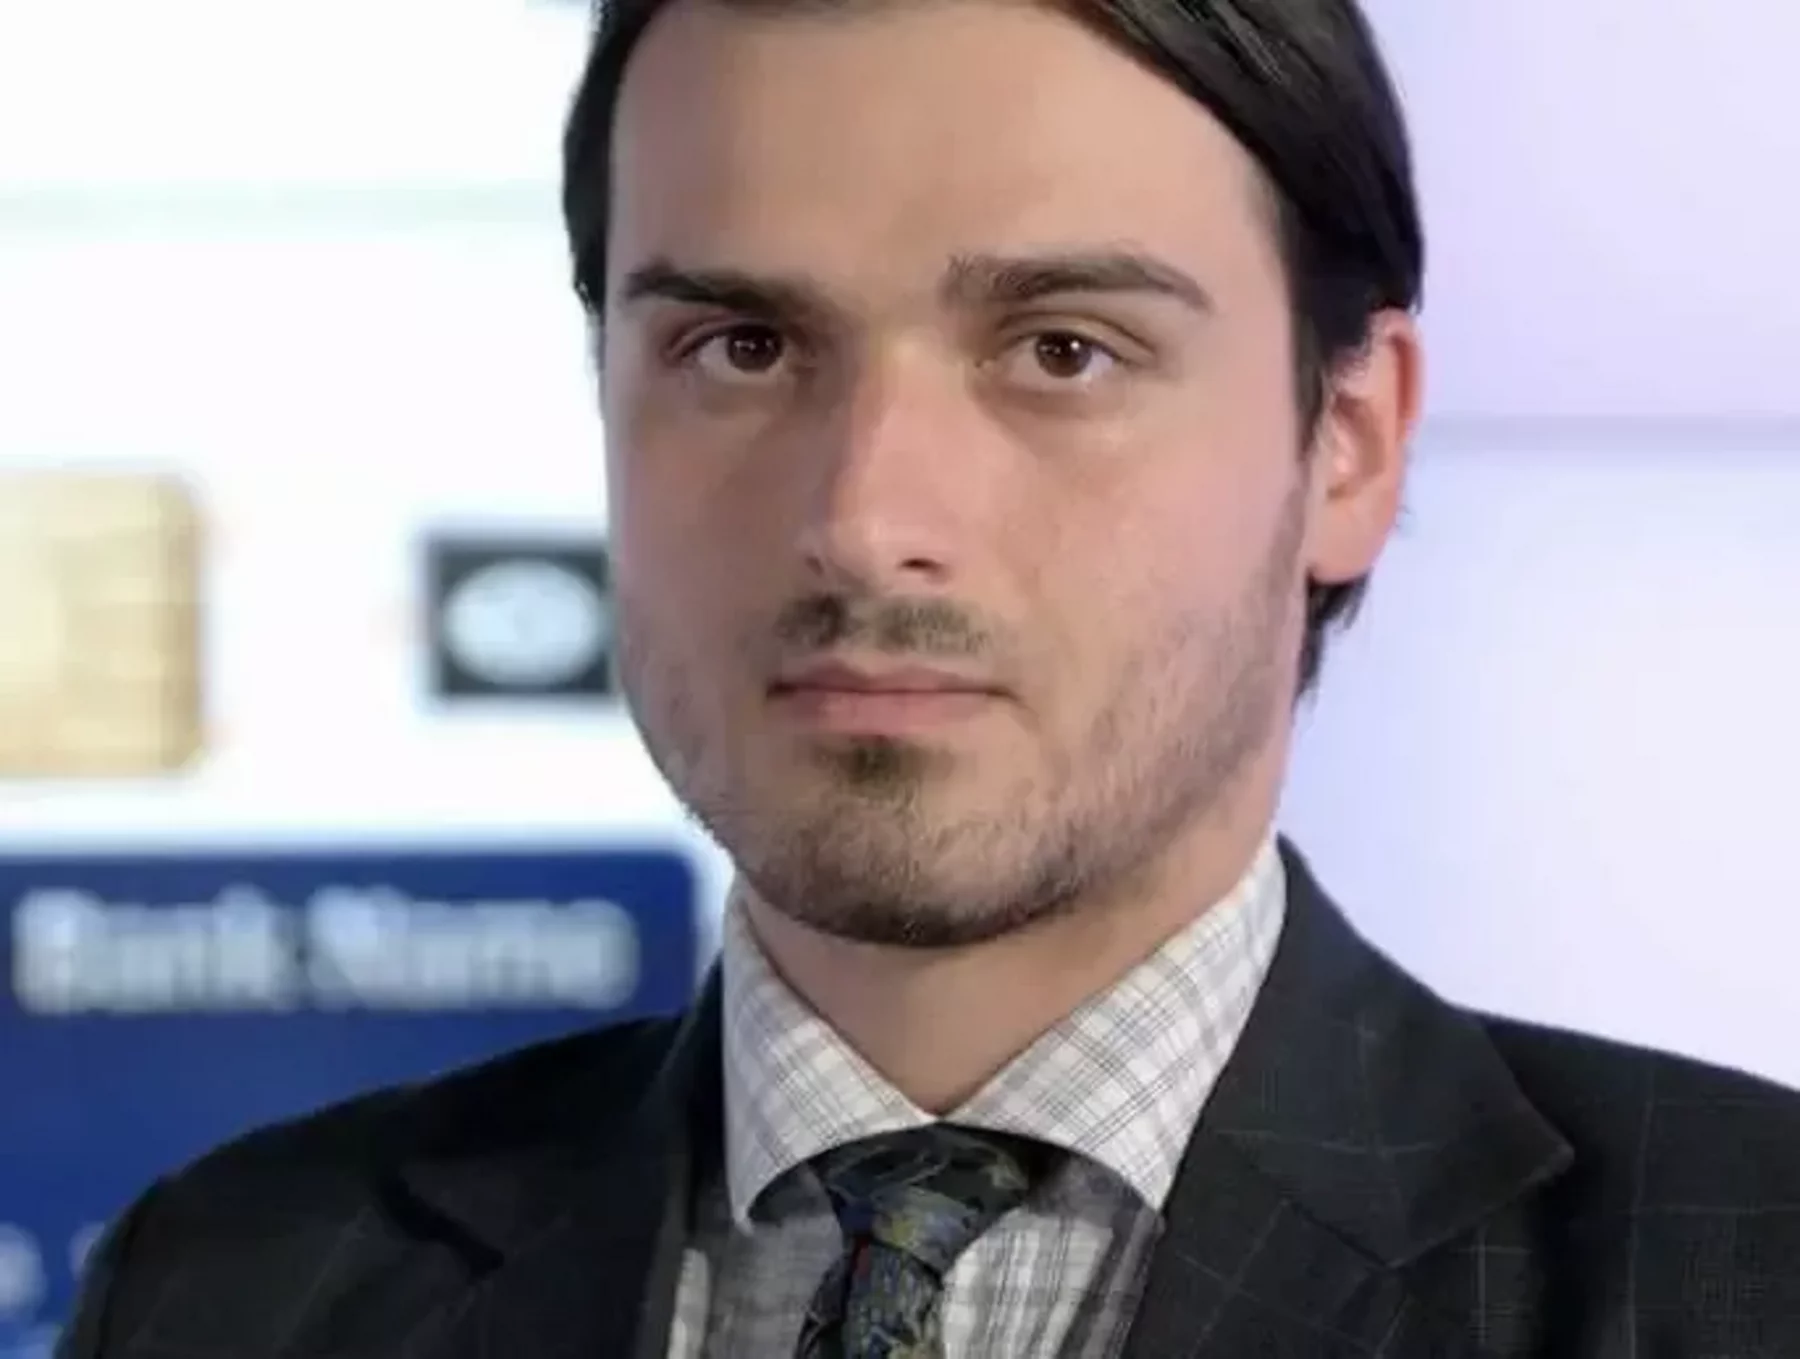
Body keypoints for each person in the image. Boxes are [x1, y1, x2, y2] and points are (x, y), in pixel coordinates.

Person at [58, 1, 1800, 1355]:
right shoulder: (232, 1288)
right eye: (742, 346)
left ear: (1346, 440)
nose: (865, 518)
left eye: (1063, 350)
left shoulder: (1749, 1272)